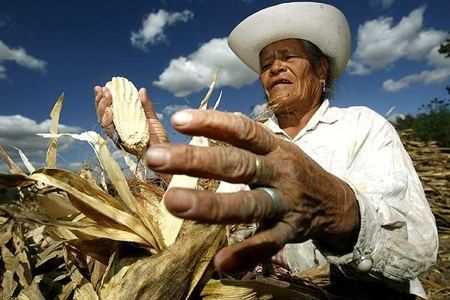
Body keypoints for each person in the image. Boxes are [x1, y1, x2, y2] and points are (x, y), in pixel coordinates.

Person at [95, 2, 437, 298]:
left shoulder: (363, 126)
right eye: (266, 63)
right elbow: (204, 204)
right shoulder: (248, 142)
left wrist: (335, 207)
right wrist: (149, 146)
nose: (274, 67)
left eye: (288, 56)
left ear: (320, 71)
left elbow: (419, 245)